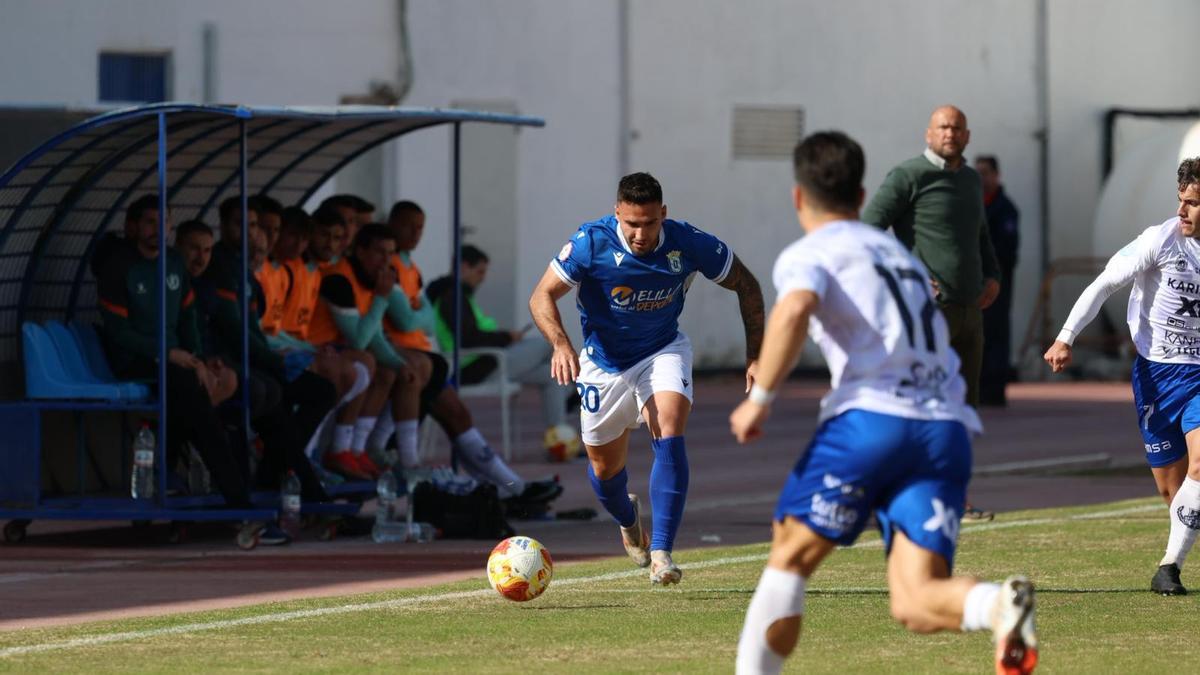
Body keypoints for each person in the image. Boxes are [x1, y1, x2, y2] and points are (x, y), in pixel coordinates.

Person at [729, 131, 1037, 675]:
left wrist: (761, 397)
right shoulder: (900, 254)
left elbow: (795, 308)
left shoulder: (813, 251)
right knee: (915, 601)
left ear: (799, 197)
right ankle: (996, 605)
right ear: (861, 192)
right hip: (945, 430)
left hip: (873, 421)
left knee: (789, 556)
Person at [528, 172, 765, 585]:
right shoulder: (590, 242)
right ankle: (627, 518)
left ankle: (663, 554)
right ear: (617, 213)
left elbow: (747, 284)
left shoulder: (689, 243)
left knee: (669, 428)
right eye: (631, 223)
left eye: (650, 223)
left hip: (663, 349)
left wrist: (756, 356)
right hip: (602, 365)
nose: (640, 234)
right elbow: (541, 296)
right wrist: (562, 345)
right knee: (604, 474)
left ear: (663, 215)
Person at [1045, 158, 1200, 596]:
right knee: (1174, 494)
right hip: (1155, 375)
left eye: (1193, 204)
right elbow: (1102, 285)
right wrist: (1066, 337)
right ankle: (1174, 555)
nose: (1183, 211)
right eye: (1181, 201)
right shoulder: (1160, 240)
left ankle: (1169, 567)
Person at [93, 194, 265, 545]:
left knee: (199, 398)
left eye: (163, 222)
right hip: (135, 360)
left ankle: (172, 477)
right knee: (198, 406)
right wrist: (169, 354)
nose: (157, 230)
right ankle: (237, 503)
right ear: (132, 227)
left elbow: (188, 318)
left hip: (176, 361)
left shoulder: (173, 262)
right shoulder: (118, 267)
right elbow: (119, 332)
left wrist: (197, 357)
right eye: (148, 223)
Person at [863, 105, 1001, 522]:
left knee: (962, 408)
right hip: (927, 316)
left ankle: (956, 496)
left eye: (957, 127)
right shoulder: (909, 176)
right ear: (928, 133)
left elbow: (981, 235)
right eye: (943, 126)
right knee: (920, 404)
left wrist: (992, 275)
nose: (950, 133)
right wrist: (911, 275)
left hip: (969, 313)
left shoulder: (971, 180)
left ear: (968, 135)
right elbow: (869, 229)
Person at [386, 204, 562, 507]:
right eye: (409, 226)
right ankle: (411, 468)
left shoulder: (412, 269)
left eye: (421, 227)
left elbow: (421, 318)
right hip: (469, 362)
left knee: (546, 379)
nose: (416, 234)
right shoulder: (446, 291)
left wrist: (417, 316)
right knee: (550, 341)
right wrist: (505, 337)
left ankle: (514, 484)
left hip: (442, 360)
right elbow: (425, 324)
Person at [426, 244, 572, 433]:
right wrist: (506, 337)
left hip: (487, 362)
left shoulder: (457, 295)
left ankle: (558, 438)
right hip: (477, 366)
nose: (482, 278)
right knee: (548, 342)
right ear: (463, 267)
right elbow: (469, 338)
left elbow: (473, 333)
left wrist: (507, 338)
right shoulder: (452, 297)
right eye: (479, 272)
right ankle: (573, 394)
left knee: (551, 376)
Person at [976, 156, 1020, 407]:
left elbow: (1007, 250)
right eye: (977, 173)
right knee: (977, 333)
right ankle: (978, 386)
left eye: (985, 173)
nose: (981, 179)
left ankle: (993, 390)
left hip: (996, 283)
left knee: (996, 334)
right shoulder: (972, 206)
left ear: (996, 175)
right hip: (974, 284)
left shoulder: (1005, 209)